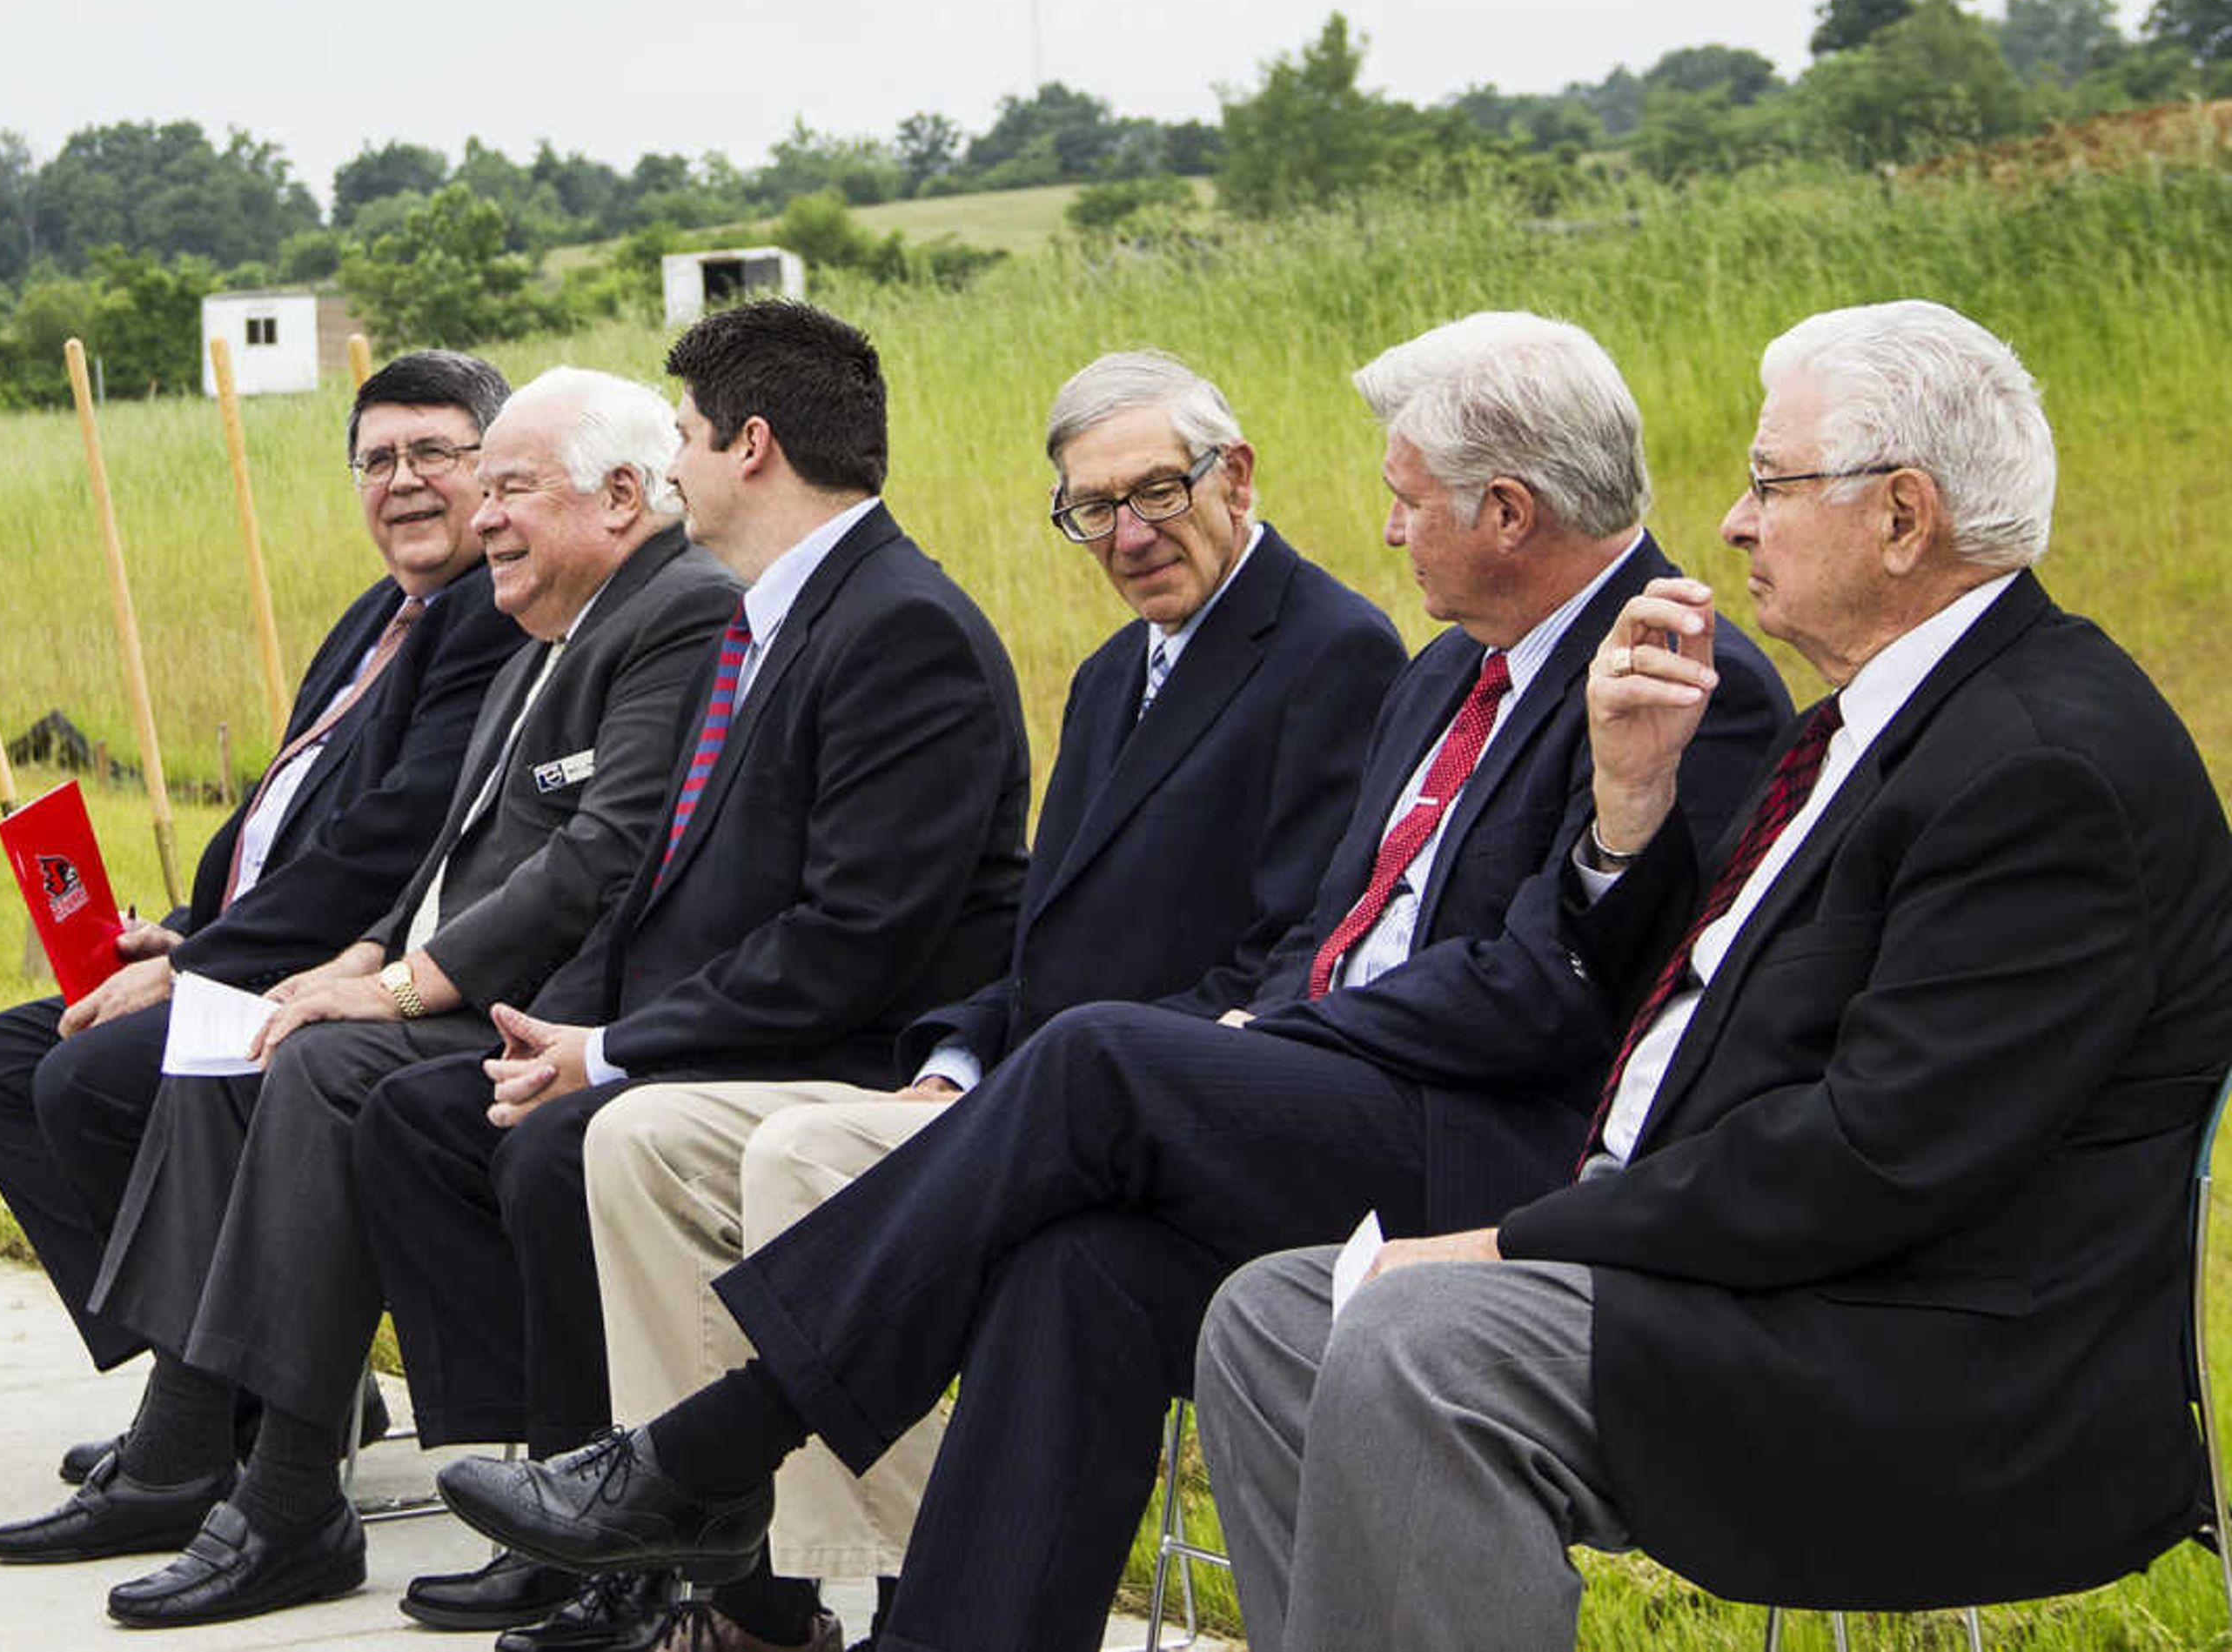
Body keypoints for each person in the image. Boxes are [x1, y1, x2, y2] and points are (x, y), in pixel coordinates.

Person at [438, 311, 1788, 1652]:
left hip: (1490, 1147)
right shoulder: (1449, 672)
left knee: (1096, 1058)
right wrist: (1258, 1032)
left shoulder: (1679, 675)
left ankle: (711, 1450)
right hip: (1344, 1102)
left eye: (1408, 500)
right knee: (1075, 1272)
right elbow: (1324, 922)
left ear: (1507, 509)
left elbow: (1557, 995)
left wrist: (1281, 1031)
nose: (1387, 533)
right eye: (1094, 507)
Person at [1192, 299, 2232, 1652]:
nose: (1734, 522)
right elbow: (1685, 1021)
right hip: (1732, 1276)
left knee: (1416, 1340)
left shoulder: (2043, 767)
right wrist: (1627, 799)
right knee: (1274, 1318)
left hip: (1915, 1350)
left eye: (1769, 483)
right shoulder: (1881, 718)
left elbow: (1871, 1155)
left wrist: (1512, 1240)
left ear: (1902, 516)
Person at [550, 351, 1406, 1652]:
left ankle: (897, 1586)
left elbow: (1296, 951)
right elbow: (1040, 931)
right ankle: (730, 1578)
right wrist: (959, 1053)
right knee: (640, 1139)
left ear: (1237, 475)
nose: (1126, 536)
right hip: (1025, 1081)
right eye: (1091, 508)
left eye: (1157, 493)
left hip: (1149, 1105)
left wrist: (1058, 1074)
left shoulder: (1333, 646)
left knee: (798, 1151)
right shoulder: (1119, 671)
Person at [0, 366, 739, 1625]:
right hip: (452, 979)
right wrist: (345, 964)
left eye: (505, 486)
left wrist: (396, 986)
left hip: (552, 1002)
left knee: (319, 1068)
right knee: (250, 1032)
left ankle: (284, 1496)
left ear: (621, 495)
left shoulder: (675, 611)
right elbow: (446, 857)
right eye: (477, 487)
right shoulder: (541, 630)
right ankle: (195, 1443)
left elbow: (598, 856)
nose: (481, 516)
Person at [359, 298, 1034, 1649]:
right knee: (461, 1116)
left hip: (866, 1049)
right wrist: (574, 1024)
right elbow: (672, 878)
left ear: (754, 448)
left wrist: (614, 1049)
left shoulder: (900, 629)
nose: (671, 467)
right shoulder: (769, 617)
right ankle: (700, 1565)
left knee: (587, 1136)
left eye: (683, 437)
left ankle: (751, 1582)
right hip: (755, 1020)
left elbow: (855, 941)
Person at [0, 350, 526, 1395]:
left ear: (497, 470)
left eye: (435, 451)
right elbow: (287, 811)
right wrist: (181, 927)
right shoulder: (377, 612)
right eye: (375, 459)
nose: (402, 481)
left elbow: (392, 842)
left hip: (325, 970)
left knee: (86, 1080)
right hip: (243, 944)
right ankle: (212, 1381)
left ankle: (229, 1399)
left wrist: (199, 964)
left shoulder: (487, 613)